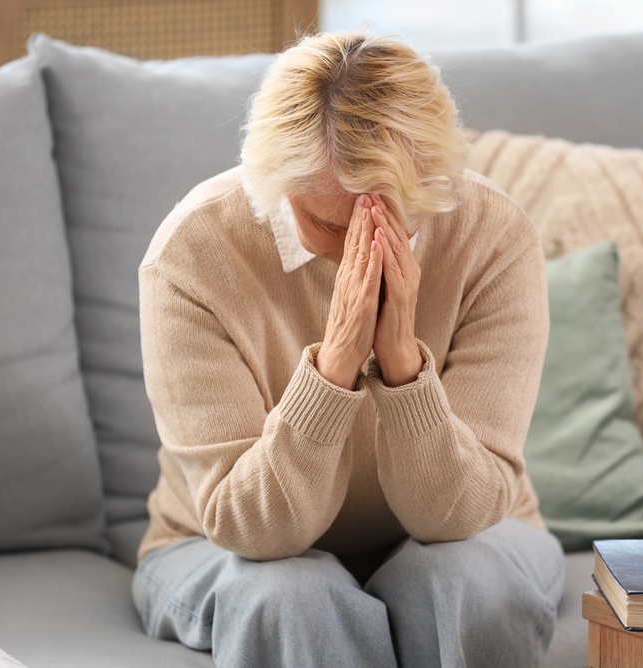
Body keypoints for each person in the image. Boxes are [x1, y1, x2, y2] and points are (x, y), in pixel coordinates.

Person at [131, 30, 565, 668]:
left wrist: (402, 366)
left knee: (469, 588)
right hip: (224, 544)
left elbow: (458, 514)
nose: (364, 247)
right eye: (332, 224)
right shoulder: (191, 256)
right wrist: (333, 370)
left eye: (398, 215)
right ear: (274, 184)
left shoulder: (493, 238)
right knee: (292, 600)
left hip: (472, 531)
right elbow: (251, 529)